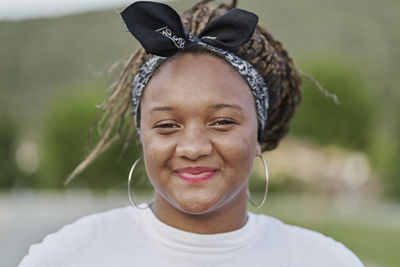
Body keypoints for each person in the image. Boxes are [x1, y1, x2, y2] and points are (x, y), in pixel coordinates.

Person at [19, 1, 364, 266]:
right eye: (167, 125)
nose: (194, 147)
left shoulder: (324, 260)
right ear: (142, 136)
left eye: (223, 121)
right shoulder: (70, 255)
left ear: (258, 135)